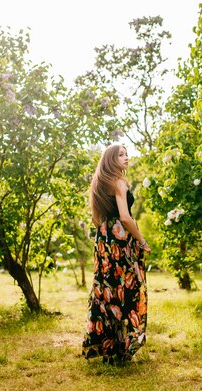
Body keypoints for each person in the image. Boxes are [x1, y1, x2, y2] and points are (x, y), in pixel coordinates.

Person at [82, 143, 151, 364]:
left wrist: (106, 235)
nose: (126, 157)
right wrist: (140, 240)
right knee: (127, 286)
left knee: (107, 288)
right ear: (111, 159)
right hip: (121, 238)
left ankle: (108, 347)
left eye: (126, 154)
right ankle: (123, 347)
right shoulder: (119, 182)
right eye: (121, 155)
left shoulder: (99, 183)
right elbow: (125, 217)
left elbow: (96, 218)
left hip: (103, 239)